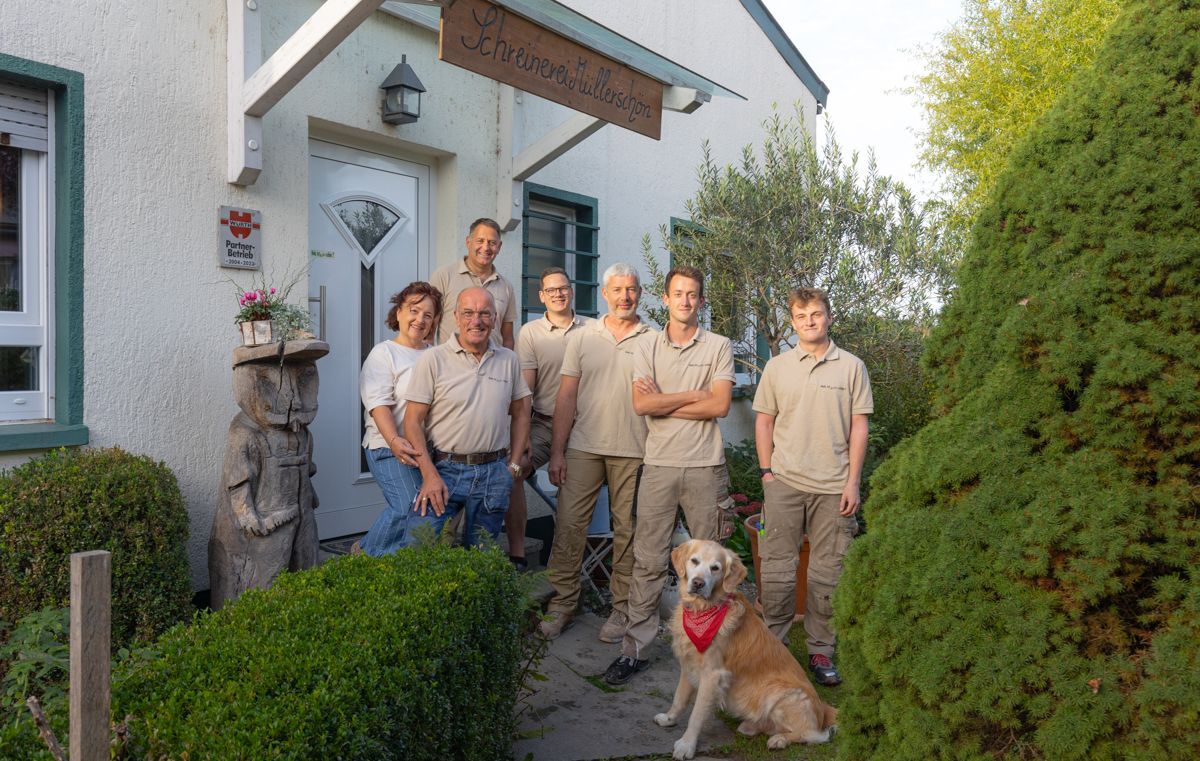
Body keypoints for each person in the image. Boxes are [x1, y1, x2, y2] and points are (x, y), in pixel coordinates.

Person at [604, 265, 736, 685]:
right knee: (647, 558)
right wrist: (695, 394)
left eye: (693, 294)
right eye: (677, 294)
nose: (685, 301)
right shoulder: (648, 347)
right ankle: (635, 649)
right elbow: (642, 406)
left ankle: (715, 648)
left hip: (705, 467)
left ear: (700, 300)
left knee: (716, 563)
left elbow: (719, 407)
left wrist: (666, 401)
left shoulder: (718, 345)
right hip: (658, 465)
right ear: (664, 299)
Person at [753, 286, 872, 687]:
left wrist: (852, 482)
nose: (810, 321)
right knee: (777, 571)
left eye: (817, 314)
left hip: (833, 487)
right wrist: (767, 473)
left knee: (827, 574)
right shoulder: (778, 367)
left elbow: (859, 425)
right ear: (792, 322)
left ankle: (821, 651)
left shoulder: (852, 367)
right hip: (784, 482)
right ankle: (774, 651)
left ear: (829, 317)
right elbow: (764, 421)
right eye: (802, 316)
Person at [538, 263, 657, 642]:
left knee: (627, 533)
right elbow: (566, 397)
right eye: (618, 289)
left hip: (634, 450)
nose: (625, 296)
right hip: (584, 447)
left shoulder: (652, 339)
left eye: (632, 289)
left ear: (640, 294)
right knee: (569, 526)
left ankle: (621, 609)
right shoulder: (583, 338)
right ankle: (562, 603)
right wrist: (557, 453)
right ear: (605, 294)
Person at [403, 287, 532, 545]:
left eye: (485, 313)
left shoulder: (509, 360)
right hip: (444, 470)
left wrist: (514, 466)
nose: (477, 321)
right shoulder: (433, 359)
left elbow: (521, 413)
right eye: (469, 313)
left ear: (495, 318)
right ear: (456, 317)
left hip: (494, 471)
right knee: (416, 546)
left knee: (480, 557)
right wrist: (429, 475)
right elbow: (412, 421)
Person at [508, 267, 592, 571]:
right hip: (544, 423)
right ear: (542, 296)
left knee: (575, 495)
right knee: (514, 469)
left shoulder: (593, 329)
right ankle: (517, 553)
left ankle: (567, 566)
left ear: (572, 291)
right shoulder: (530, 332)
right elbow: (525, 388)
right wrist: (522, 436)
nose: (558, 294)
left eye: (563, 288)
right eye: (551, 290)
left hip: (586, 427)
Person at [355, 282, 442, 556]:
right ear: (399, 312)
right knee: (410, 505)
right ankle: (366, 554)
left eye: (428, 315)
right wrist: (393, 440)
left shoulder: (437, 355)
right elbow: (378, 405)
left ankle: (396, 565)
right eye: (414, 311)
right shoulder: (384, 354)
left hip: (426, 449)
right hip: (387, 447)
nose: (420, 320)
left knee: (430, 509)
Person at [429, 218, 517, 349]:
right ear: (468, 242)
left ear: (499, 247)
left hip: (493, 364)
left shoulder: (506, 286)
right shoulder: (444, 276)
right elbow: (429, 325)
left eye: (492, 243)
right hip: (451, 365)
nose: (486, 247)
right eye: (480, 241)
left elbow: (507, 337)